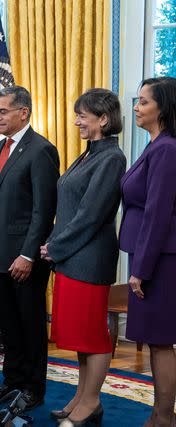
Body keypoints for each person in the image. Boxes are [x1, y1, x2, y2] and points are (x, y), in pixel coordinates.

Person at [39, 89, 126, 425]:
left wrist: (55, 246)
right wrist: (56, 244)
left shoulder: (111, 158)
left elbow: (91, 215)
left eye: (82, 115)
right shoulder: (90, 153)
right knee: (79, 332)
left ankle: (91, 402)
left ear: (103, 119)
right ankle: (81, 395)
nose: (76, 121)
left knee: (93, 334)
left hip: (90, 258)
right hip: (73, 256)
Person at [0, 85, 60, 409]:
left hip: (25, 256)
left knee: (29, 325)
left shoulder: (41, 150)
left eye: (2, 111)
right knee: (8, 326)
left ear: (22, 113)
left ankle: (33, 389)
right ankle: (12, 381)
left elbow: (44, 209)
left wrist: (28, 254)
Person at [119, 76, 176, 427]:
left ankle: (164, 418)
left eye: (142, 101)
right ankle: (160, 415)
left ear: (162, 107)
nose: (136, 108)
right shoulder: (155, 145)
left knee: (161, 341)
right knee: (157, 341)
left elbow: (158, 212)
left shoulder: (167, 148)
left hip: (160, 262)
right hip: (151, 257)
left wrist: (141, 268)